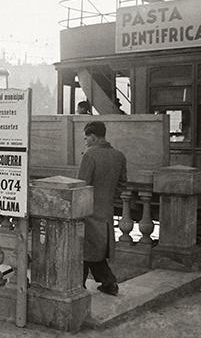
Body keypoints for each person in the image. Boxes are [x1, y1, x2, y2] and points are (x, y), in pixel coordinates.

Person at [78, 121, 126, 296]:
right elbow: (122, 184)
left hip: (88, 211)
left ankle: (78, 286)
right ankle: (109, 283)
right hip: (106, 211)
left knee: (83, 250)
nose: (85, 142)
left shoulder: (90, 155)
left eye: (86, 138)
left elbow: (82, 184)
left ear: (93, 136)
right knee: (96, 250)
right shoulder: (119, 156)